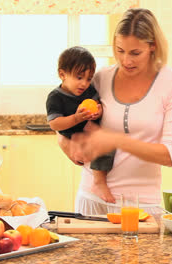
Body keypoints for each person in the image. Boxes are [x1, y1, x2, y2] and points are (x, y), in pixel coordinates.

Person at [58, 8, 172, 216]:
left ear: (152, 46)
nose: (126, 60)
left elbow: (169, 154)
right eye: (120, 51)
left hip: (142, 206)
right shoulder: (101, 77)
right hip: (91, 199)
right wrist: (66, 144)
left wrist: (115, 140)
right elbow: (62, 111)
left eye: (135, 53)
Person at [46, 46, 116, 203]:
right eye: (79, 77)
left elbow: (98, 105)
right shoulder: (55, 97)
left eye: (89, 78)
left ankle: (99, 179)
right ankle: (99, 182)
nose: (84, 83)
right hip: (72, 134)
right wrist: (76, 118)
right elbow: (55, 124)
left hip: (87, 128)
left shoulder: (89, 90)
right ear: (62, 74)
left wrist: (99, 111)